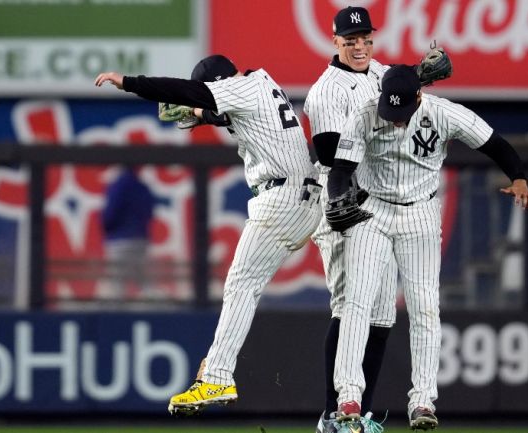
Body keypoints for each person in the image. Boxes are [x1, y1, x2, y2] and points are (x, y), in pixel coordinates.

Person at [94, 54, 323, 415]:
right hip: (304, 196)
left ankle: (216, 376)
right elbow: (223, 110)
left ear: (218, 83)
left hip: (284, 197)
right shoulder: (258, 84)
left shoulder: (237, 89)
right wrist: (200, 115)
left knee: (241, 284)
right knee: (332, 296)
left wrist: (131, 82)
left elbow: (192, 92)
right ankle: (349, 398)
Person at [325, 65, 528, 430]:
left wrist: (518, 176)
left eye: (401, 113)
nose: (394, 121)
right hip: (372, 209)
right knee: (356, 302)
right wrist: (337, 200)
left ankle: (422, 402)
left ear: (419, 97)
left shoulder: (442, 112)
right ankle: (349, 397)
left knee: (424, 306)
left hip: (420, 212)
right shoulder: (364, 115)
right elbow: (341, 170)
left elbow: (493, 143)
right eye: (389, 112)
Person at [304, 6, 452, 433]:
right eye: (349, 40)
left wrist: (418, 78)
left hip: (380, 207)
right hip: (344, 203)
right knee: (350, 304)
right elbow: (335, 157)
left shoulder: (379, 71)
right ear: (335, 42)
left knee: (383, 313)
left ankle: (360, 413)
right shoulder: (327, 90)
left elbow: (397, 92)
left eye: (364, 38)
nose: (359, 46)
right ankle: (333, 414)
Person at [98, 168, 156, 301]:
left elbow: (109, 214)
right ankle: (155, 310)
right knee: (143, 281)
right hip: (140, 240)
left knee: (116, 284)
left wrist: (108, 228)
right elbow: (149, 211)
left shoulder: (117, 186)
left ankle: (116, 317)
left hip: (119, 240)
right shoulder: (141, 186)